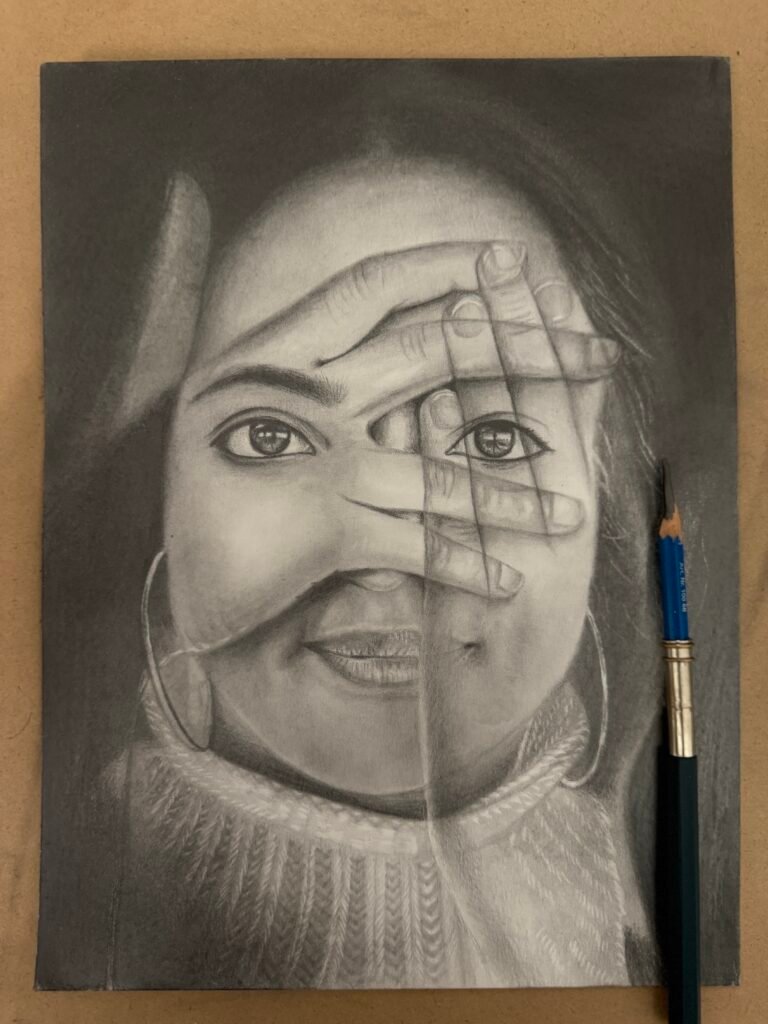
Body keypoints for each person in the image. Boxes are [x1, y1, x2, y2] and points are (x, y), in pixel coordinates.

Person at [43, 73, 663, 989]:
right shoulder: (41, 894)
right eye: (270, 435)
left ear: (607, 484)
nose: (382, 558)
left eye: (494, 440)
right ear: (158, 473)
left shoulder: (667, 932)